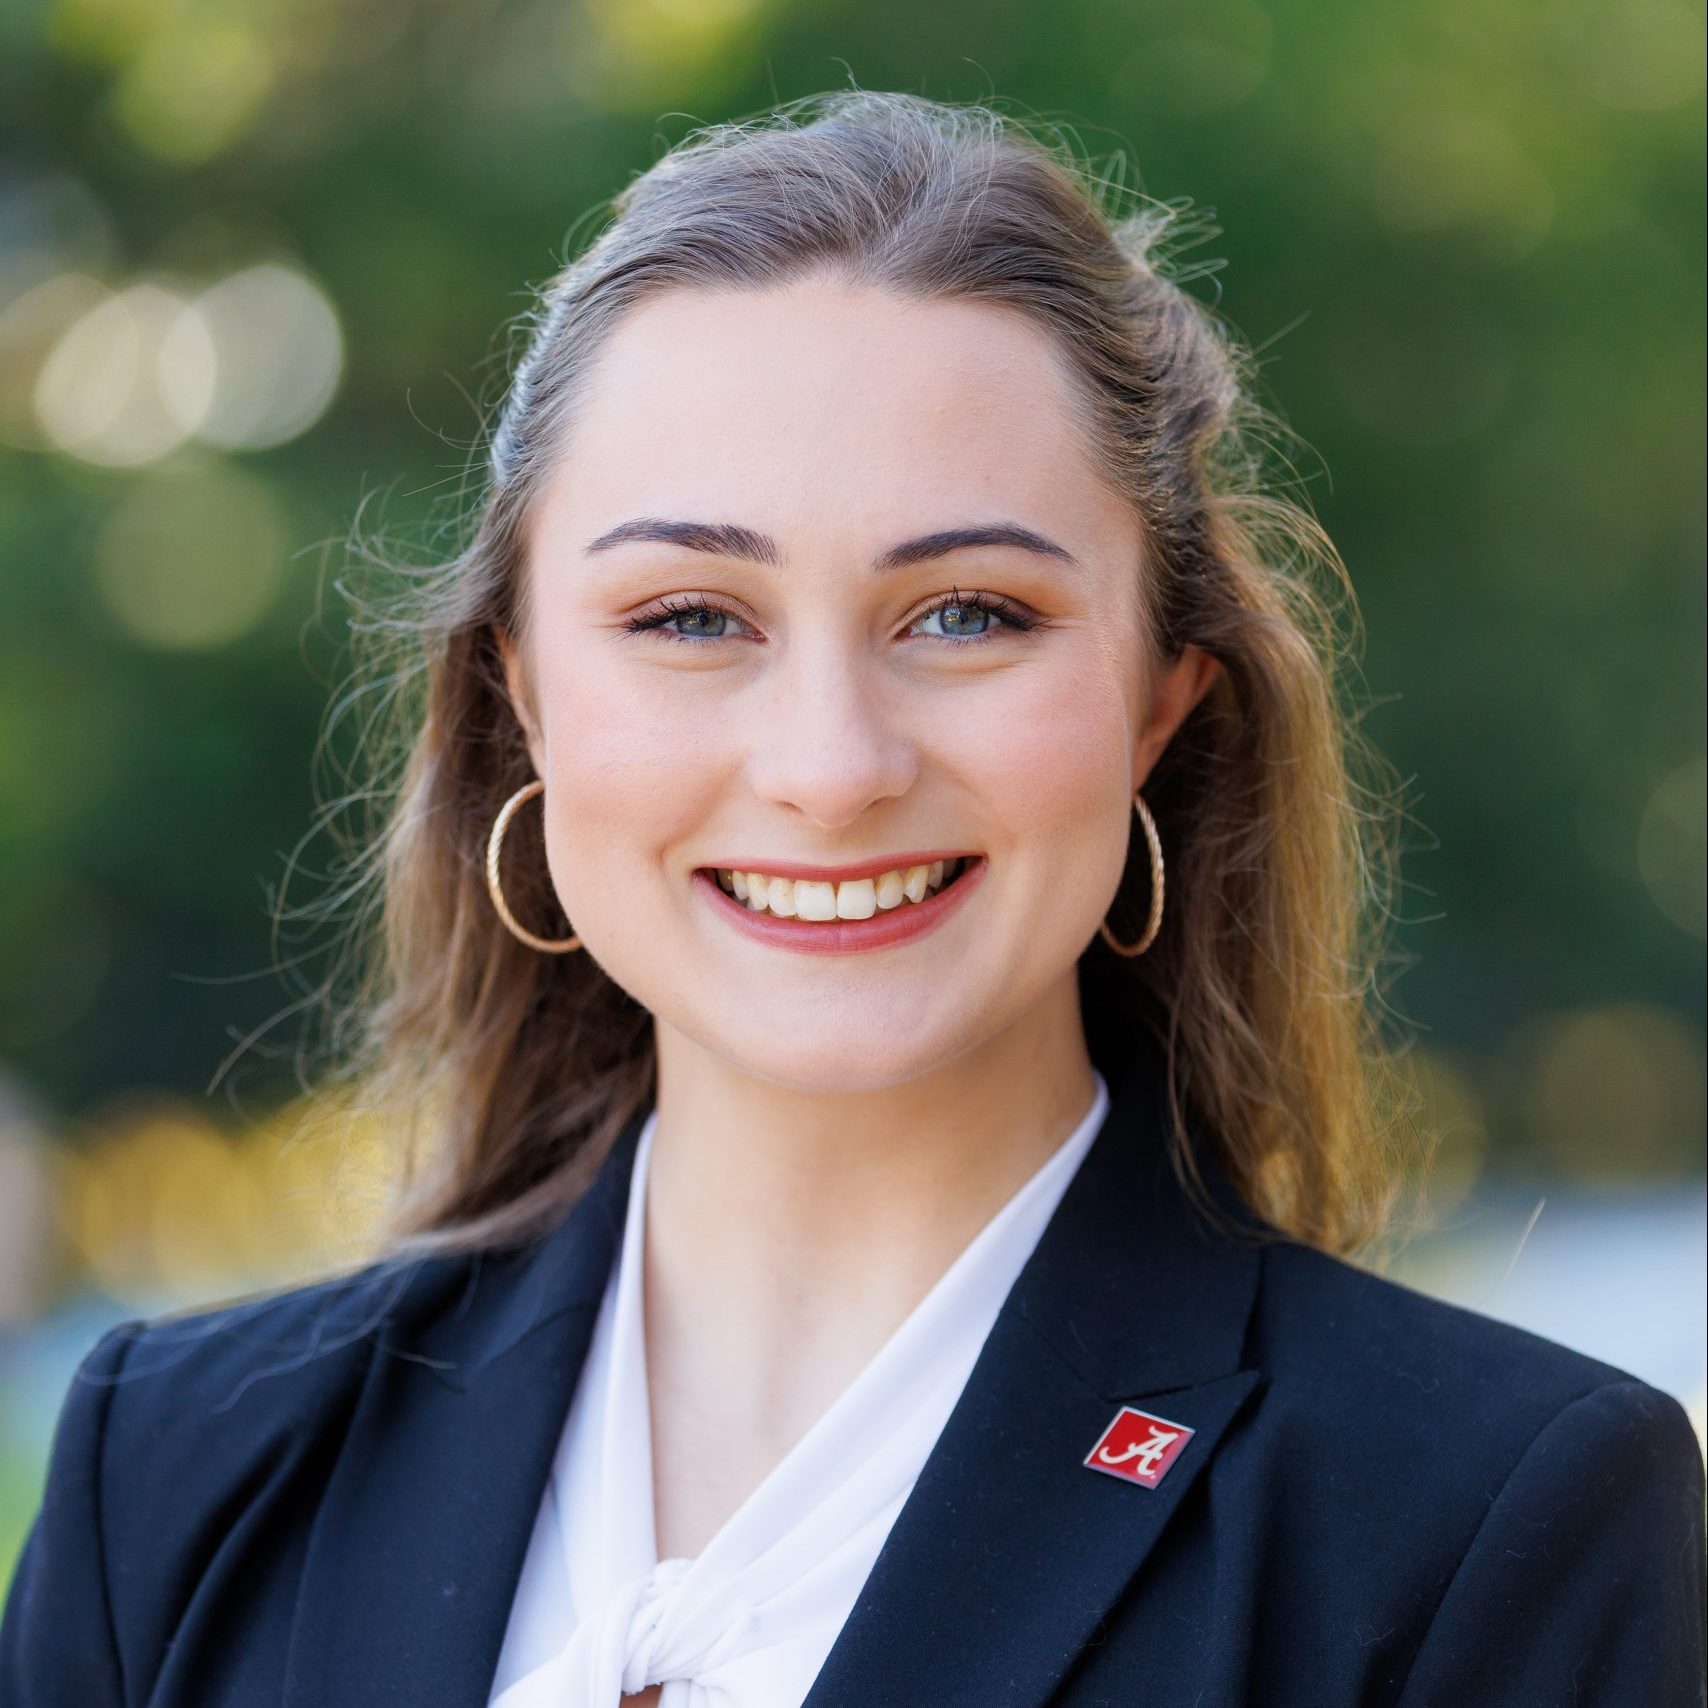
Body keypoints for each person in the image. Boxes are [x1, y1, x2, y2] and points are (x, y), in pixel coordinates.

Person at [2, 89, 1702, 1708]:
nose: (830, 765)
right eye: (690, 617)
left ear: (1160, 701)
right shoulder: (173, 1474)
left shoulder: (1488, 1519)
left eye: (967, 613)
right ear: (522, 691)